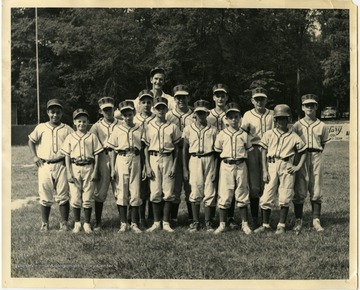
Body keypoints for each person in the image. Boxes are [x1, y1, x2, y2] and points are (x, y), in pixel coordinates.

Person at [254, 104, 307, 235]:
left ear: (288, 120)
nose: (281, 121)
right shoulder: (269, 134)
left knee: (285, 194)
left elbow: (303, 151)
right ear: (275, 120)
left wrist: (298, 166)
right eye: (278, 119)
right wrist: (265, 170)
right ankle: (265, 225)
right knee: (267, 195)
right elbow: (263, 151)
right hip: (272, 164)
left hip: (286, 165)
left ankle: (281, 225)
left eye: (284, 118)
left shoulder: (293, 135)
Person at [28, 99, 73, 232]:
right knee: (45, 194)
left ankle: (64, 223)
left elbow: (74, 143)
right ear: (48, 112)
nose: (55, 115)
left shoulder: (67, 129)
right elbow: (31, 141)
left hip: (61, 164)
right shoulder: (41, 127)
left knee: (63, 195)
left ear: (62, 113)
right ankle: (45, 223)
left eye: (58, 112)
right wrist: (35, 156)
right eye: (52, 112)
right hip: (45, 164)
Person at [143, 97, 182, 233]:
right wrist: (147, 166)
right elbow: (145, 148)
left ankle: (166, 222)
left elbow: (177, 148)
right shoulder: (149, 126)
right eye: (158, 108)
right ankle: (156, 222)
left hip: (168, 158)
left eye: (163, 108)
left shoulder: (172, 126)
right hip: (154, 158)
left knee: (168, 191)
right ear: (154, 109)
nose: (160, 110)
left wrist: (174, 165)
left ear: (167, 109)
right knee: (155, 191)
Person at [292, 94, 330, 233]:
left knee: (316, 186)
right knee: (300, 187)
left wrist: (315, 153)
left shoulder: (322, 125)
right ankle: (298, 220)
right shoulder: (297, 125)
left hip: (316, 154)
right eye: (307, 105)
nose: (309, 107)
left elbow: (323, 144)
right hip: (301, 155)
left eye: (312, 105)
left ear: (316, 107)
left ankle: (316, 220)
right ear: (302, 107)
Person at [213, 103, 253, 235]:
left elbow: (248, 151)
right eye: (231, 117)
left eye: (236, 117)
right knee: (225, 194)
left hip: (241, 165)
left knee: (242, 193)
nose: (234, 120)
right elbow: (218, 152)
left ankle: (245, 224)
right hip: (226, 165)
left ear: (240, 118)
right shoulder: (222, 134)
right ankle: (222, 224)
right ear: (226, 119)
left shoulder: (244, 134)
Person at [61, 109, 103, 234]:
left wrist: (95, 171)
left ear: (88, 122)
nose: (81, 124)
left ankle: (87, 223)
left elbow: (97, 155)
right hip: (75, 167)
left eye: (84, 121)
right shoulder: (70, 137)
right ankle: (77, 223)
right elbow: (67, 156)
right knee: (75, 196)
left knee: (88, 196)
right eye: (79, 121)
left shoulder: (92, 136)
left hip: (88, 167)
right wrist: (68, 172)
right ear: (74, 122)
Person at [107, 100, 143, 234]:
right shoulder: (117, 129)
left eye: (130, 114)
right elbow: (112, 150)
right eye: (125, 115)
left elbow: (143, 148)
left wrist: (144, 166)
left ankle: (134, 223)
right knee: (122, 190)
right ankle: (123, 223)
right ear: (121, 116)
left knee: (135, 190)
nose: (128, 117)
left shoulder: (139, 128)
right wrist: (112, 168)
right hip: (121, 159)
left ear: (134, 113)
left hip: (135, 158)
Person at [182, 100, 218, 232]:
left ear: (207, 113)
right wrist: (185, 168)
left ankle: (208, 222)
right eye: (198, 112)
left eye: (203, 112)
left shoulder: (213, 129)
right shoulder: (188, 129)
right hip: (195, 159)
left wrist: (215, 168)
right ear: (195, 114)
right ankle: (195, 221)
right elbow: (184, 149)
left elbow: (217, 151)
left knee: (209, 190)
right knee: (195, 189)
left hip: (209, 158)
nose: (201, 115)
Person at [207, 84, 239, 230]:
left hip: (229, 152)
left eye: (222, 95)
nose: (220, 98)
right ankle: (212, 218)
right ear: (213, 97)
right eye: (217, 95)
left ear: (226, 97)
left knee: (230, 185)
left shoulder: (232, 113)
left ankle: (230, 217)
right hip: (212, 152)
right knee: (212, 184)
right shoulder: (208, 114)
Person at [241, 87, 274, 228]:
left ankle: (266, 219)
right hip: (253, 149)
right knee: (254, 186)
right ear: (252, 101)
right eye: (257, 99)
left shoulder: (272, 114)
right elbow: (242, 135)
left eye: (262, 98)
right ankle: (255, 218)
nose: (259, 101)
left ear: (266, 100)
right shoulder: (247, 115)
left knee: (268, 183)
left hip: (269, 150)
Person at [89, 97, 121, 232]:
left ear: (114, 109)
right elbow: (91, 145)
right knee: (100, 191)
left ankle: (124, 221)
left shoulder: (121, 123)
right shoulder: (96, 126)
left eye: (110, 109)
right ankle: (98, 222)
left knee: (120, 190)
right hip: (103, 156)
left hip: (119, 156)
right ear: (100, 111)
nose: (108, 111)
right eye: (105, 109)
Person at [166, 84, 195, 225]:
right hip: (174, 153)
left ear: (188, 97)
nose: (181, 100)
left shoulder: (194, 114)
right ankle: (173, 217)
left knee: (190, 186)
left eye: (183, 97)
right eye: (178, 97)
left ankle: (192, 217)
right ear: (174, 99)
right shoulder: (168, 115)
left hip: (191, 153)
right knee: (175, 186)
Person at [133, 90, 156, 228]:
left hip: (153, 153)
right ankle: (141, 218)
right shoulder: (135, 118)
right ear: (139, 104)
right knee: (140, 187)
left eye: (149, 102)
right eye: (143, 102)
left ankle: (152, 217)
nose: (146, 105)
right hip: (138, 154)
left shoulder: (156, 117)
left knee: (153, 186)